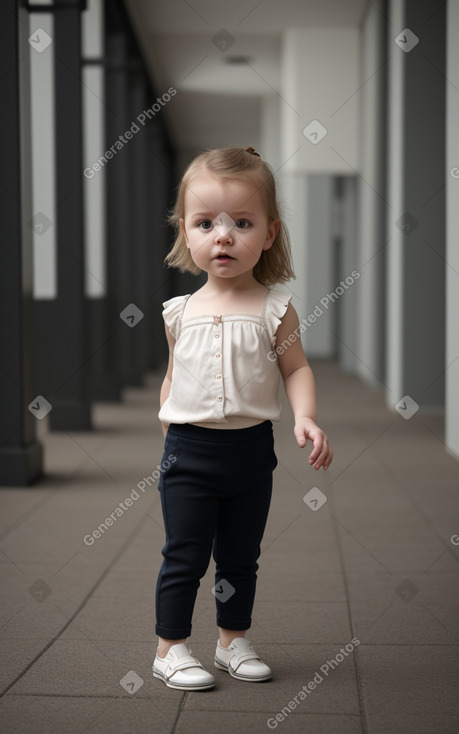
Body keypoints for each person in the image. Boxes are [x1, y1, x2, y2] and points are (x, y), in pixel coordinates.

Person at [153, 146, 333, 691]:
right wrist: (170, 436)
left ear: (271, 233)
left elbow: (296, 368)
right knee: (184, 554)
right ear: (186, 232)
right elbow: (171, 379)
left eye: (242, 222)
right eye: (206, 223)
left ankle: (232, 641)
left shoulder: (276, 308)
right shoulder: (179, 311)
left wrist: (306, 417)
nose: (223, 235)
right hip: (188, 450)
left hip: (252, 452)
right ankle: (171, 648)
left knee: (240, 556)